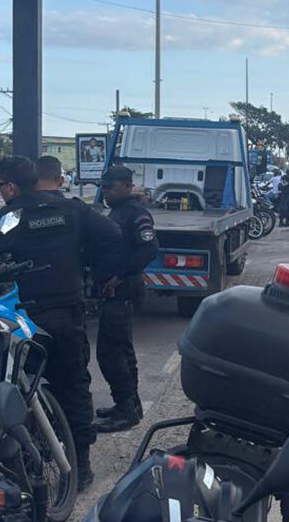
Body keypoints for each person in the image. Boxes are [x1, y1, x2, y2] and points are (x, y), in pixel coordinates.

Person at [0, 156, 122, 491]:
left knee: (15, 394)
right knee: (74, 389)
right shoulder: (73, 211)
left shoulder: (7, 218)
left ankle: (24, 469)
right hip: (67, 316)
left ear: (10, 186)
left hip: (22, 323)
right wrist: (85, 263)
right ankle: (81, 467)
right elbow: (112, 234)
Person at [93, 166, 159, 433]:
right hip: (117, 292)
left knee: (111, 354)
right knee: (122, 351)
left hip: (124, 290)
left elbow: (149, 249)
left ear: (126, 185)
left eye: (110, 186)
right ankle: (129, 405)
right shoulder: (119, 211)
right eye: (104, 186)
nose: (106, 191)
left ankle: (126, 410)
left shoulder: (135, 213)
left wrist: (120, 275)